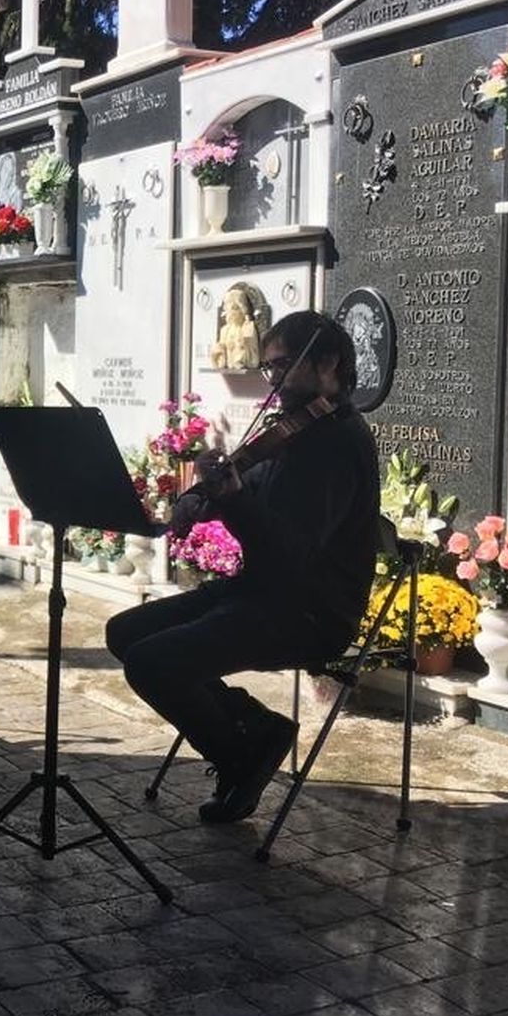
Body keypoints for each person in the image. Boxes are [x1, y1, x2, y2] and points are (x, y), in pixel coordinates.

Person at [105, 310, 379, 825]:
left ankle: (239, 755)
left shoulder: (338, 446)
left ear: (328, 364)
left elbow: (291, 551)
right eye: (269, 369)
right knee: (125, 632)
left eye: (280, 368)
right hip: (260, 592)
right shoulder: (294, 433)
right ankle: (256, 726)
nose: (272, 381)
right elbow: (252, 495)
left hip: (309, 612)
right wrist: (204, 497)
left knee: (152, 662)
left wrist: (234, 500)